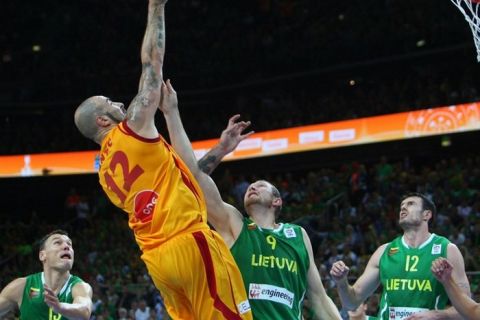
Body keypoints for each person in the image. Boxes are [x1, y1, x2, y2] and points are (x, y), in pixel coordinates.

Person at [73, 1, 252, 319]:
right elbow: (151, 64)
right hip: (188, 242)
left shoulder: (105, 176)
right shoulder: (132, 128)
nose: (117, 102)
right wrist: (156, 6)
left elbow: (185, 175)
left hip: (158, 262)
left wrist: (220, 151)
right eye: (109, 102)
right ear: (102, 120)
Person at [159, 80, 342, 319]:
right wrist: (173, 113)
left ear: (277, 201)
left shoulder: (298, 235)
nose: (252, 186)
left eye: (262, 186)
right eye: (250, 186)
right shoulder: (235, 224)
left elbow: (318, 297)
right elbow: (192, 178)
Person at [330, 192, 471, 319]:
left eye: (410, 204)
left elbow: (467, 310)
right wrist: (341, 282)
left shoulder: (447, 250)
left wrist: (438, 314)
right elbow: (351, 303)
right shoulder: (384, 251)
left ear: (426, 215)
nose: (403, 208)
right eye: (402, 206)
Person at [0, 230, 92, 319]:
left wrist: (60, 307)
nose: (66, 246)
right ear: (42, 255)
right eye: (57, 243)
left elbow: (85, 311)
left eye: (69, 244)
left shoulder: (80, 287)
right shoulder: (21, 286)